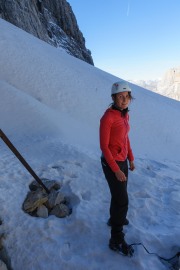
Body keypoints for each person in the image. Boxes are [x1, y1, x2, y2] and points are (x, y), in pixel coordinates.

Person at [99, 80, 135, 256]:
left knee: (118, 195)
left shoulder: (124, 115)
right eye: (120, 97)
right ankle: (116, 239)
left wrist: (131, 159)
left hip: (122, 161)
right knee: (122, 200)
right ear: (113, 98)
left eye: (127, 97)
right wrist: (116, 169)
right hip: (111, 163)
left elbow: (125, 139)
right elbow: (104, 147)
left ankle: (115, 219)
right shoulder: (108, 117)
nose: (124, 100)